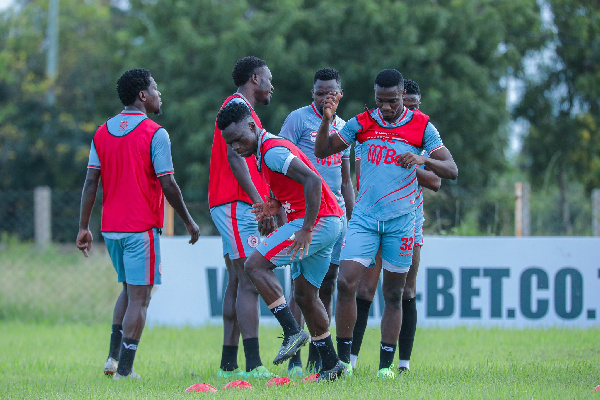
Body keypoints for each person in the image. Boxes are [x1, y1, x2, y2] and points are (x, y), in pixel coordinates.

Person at [314, 69, 458, 379]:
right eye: (381, 101)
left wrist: (423, 159)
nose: (387, 107)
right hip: (365, 219)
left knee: (394, 294)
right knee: (346, 282)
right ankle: (344, 363)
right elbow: (322, 150)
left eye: (392, 101)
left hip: (402, 222)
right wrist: (327, 118)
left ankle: (386, 367)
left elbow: (451, 169)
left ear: (402, 95)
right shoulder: (363, 122)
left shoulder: (422, 126)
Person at [76, 68, 200, 380]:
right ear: (142, 96)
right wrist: (188, 220)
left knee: (129, 292)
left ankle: (112, 359)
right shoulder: (155, 133)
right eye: (156, 89)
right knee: (141, 297)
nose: (160, 94)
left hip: (111, 229)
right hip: (141, 228)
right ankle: (126, 371)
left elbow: (91, 181)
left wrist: (83, 227)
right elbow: (168, 183)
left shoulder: (102, 131)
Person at [216, 101, 349, 382]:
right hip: (328, 221)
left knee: (255, 266)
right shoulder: (263, 151)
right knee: (305, 296)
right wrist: (275, 204)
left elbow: (312, 180)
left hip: (316, 222)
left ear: (253, 126)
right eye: (231, 145)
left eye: (239, 140)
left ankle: (292, 331)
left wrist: (307, 229)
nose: (237, 148)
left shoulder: (273, 151)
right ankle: (332, 365)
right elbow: (297, 185)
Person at [349, 79, 441, 373]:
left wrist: (410, 163)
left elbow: (437, 179)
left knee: (404, 290)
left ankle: (402, 364)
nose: (406, 111)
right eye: (407, 106)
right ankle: (350, 360)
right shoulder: (372, 131)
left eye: (413, 106)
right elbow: (362, 175)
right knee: (364, 288)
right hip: (373, 215)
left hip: (409, 216)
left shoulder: (422, 132)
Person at [278, 67, 355, 376]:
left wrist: (354, 218)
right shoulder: (298, 120)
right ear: (313, 94)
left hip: (336, 216)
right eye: (321, 92)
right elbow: (279, 162)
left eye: (332, 93)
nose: (326, 97)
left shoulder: (344, 127)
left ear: (340, 94)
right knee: (302, 286)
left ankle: (318, 356)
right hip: (307, 215)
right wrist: (282, 207)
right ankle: (295, 358)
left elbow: (346, 181)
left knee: (328, 283)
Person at [208, 56, 277, 379]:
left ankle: (227, 365)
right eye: (268, 79)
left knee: (237, 279)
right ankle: (253, 365)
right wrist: (259, 202)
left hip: (233, 203)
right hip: (236, 203)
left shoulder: (240, 109)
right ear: (254, 78)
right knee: (250, 277)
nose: (271, 86)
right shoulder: (238, 110)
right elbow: (235, 159)